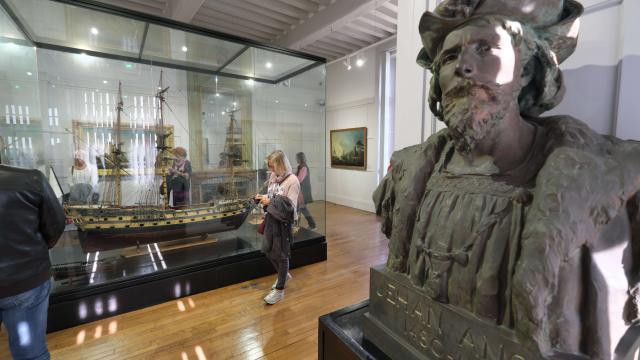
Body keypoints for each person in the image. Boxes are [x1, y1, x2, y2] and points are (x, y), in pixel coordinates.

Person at [373, 1, 640, 358]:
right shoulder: (410, 176)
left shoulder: (593, 187)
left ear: (527, 70)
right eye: (450, 58)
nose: (464, 67)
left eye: (486, 49)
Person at [0, 164, 66, 360]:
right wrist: (38, 250)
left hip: (26, 279)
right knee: (31, 353)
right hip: (26, 279)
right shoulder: (31, 179)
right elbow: (56, 225)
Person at [255, 150, 300, 305]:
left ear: (280, 164)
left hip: (283, 223)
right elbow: (272, 195)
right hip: (271, 220)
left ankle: (279, 290)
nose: (270, 170)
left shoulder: (292, 180)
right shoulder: (274, 177)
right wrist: (262, 198)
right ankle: (284, 274)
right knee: (268, 250)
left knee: (281, 255)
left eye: (272, 166)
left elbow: (290, 207)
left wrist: (270, 201)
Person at [294, 152, 316, 230]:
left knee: (300, 209)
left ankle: (311, 225)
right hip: (300, 193)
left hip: (303, 193)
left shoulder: (304, 168)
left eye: (297, 158)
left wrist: (293, 177)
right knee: (301, 209)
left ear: (301, 158)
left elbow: (299, 179)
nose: (296, 159)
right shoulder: (300, 167)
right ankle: (311, 224)